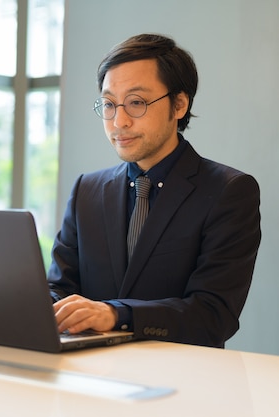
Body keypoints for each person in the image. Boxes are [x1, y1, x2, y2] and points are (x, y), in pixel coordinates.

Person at [47, 33, 261, 348]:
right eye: (109, 104)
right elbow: (58, 287)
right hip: (86, 376)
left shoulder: (229, 191)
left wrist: (115, 314)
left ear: (179, 104)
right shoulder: (87, 191)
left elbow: (214, 314)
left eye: (136, 103)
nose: (119, 122)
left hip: (181, 382)